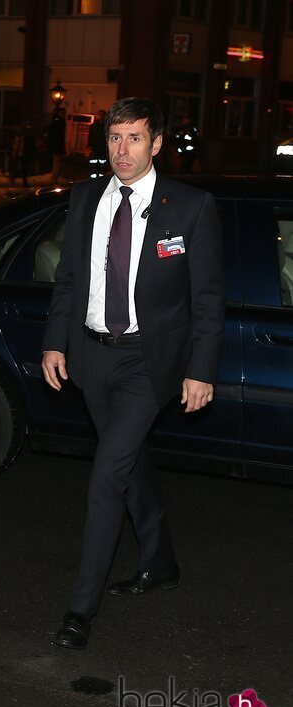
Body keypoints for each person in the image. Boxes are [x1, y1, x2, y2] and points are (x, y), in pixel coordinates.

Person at [41, 97, 225, 650]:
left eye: (135, 139)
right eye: (114, 139)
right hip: (92, 354)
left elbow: (209, 296)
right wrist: (54, 342)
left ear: (157, 143)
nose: (122, 150)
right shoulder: (83, 198)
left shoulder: (189, 208)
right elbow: (69, 278)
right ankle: (160, 561)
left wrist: (201, 369)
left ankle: (80, 610)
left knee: (106, 476)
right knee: (130, 461)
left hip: (149, 362)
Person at [46, 109, 67, 183]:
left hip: (56, 145)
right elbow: (59, 136)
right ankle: (54, 178)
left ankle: (54, 177)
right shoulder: (60, 122)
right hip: (57, 145)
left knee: (57, 162)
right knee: (57, 162)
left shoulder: (55, 121)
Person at [88, 109, 108, 179]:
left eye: (102, 115)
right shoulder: (94, 125)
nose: (101, 116)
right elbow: (90, 135)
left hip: (102, 147)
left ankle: (100, 178)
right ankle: (93, 178)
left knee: (102, 164)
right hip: (95, 146)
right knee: (93, 163)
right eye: (100, 115)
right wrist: (89, 145)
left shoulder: (107, 126)